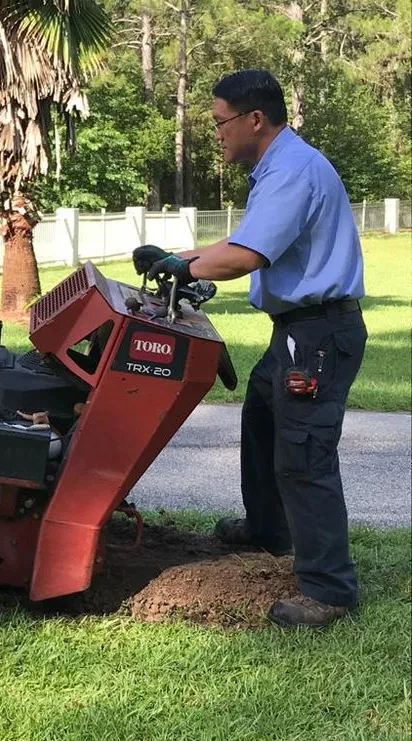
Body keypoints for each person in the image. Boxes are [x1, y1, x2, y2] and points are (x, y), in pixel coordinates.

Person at [132, 69, 367, 629]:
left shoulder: (291, 171)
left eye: (220, 123)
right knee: (263, 418)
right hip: (298, 331)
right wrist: (180, 255)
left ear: (254, 119)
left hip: (317, 336)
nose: (217, 133)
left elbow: (244, 258)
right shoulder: (281, 167)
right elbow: (236, 244)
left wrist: (182, 267)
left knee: (304, 454)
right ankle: (268, 530)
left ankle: (330, 589)